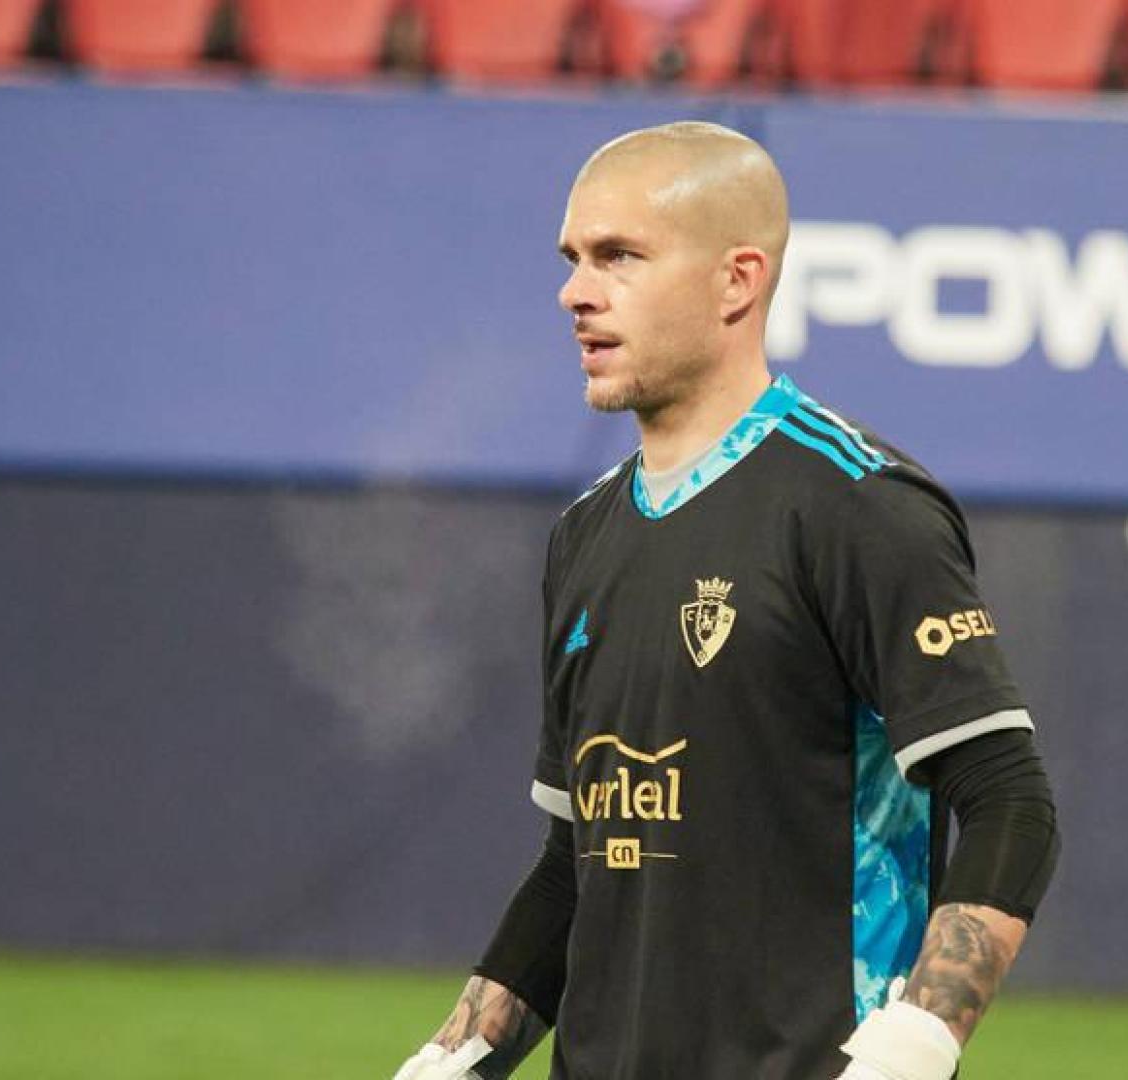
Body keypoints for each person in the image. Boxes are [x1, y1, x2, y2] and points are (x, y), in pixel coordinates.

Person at [393, 122, 1060, 1080]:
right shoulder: (585, 535)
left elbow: (1009, 802)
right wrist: (456, 1057)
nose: (576, 292)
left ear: (737, 280)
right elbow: (575, 860)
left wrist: (918, 1039)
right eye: (574, 259)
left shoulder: (857, 506)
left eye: (619, 256)